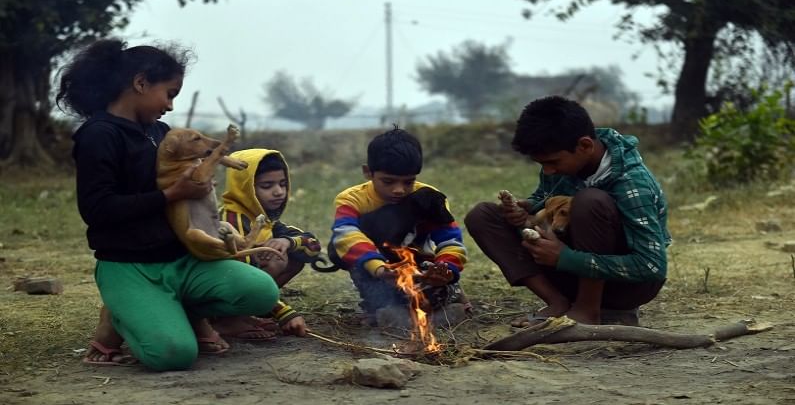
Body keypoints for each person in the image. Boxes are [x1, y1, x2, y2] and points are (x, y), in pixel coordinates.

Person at [57, 39, 279, 371]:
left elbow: (191, 177)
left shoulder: (160, 132)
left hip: (183, 260)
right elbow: (97, 210)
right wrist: (173, 194)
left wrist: (201, 185)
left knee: (262, 292)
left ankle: (187, 312)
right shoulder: (99, 135)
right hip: (130, 264)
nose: (171, 107)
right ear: (141, 82)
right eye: (170, 93)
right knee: (172, 354)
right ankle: (116, 317)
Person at [465, 96, 670, 326]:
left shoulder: (632, 184)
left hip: (626, 287)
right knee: (482, 215)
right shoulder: (562, 167)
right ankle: (558, 302)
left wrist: (566, 258)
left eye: (553, 162)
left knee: (589, 201)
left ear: (584, 145)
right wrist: (528, 208)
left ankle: (587, 310)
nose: (548, 171)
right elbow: (547, 198)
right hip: (566, 273)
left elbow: (652, 266)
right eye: (542, 164)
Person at [328, 126, 470, 327]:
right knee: (341, 251)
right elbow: (346, 235)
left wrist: (446, 269)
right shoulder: (351, 199)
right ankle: (383, 308)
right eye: (388, 181)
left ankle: (448, 298)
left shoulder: (429, 198)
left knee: (429, 296)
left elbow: (451, 240)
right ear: (368, 172)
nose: (399, 190)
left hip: (420, 266)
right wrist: (379, 268)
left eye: (408, 182)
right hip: (378, 266)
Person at [214, 149, 324, 340]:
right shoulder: (230, 220)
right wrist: (283, 311)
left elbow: (313, 246)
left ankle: (249, 312)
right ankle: (226, 321)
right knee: (274, 259)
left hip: (244, 286)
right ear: (244, 188)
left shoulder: (263, 219)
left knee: (292, 253)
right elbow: (240, 274)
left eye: (283, 184)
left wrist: (287, 241)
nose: (279, 192)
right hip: (217, 294)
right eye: (267, 185)